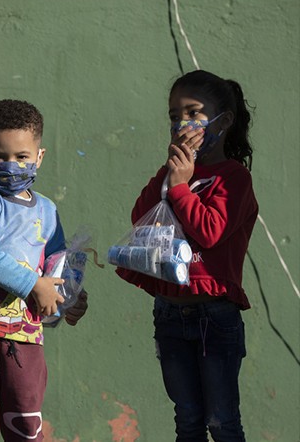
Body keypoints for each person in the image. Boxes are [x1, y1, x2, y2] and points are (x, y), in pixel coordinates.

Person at [116, 70, 257, 441]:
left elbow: (210, 231)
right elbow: (141, 219)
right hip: (169, 311)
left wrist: (180, 186)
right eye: (174, 115)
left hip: (214, 314)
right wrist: (171, 173)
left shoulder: (233, 178)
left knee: (221, 421)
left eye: (193, 113)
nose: (182, 124)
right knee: (188, 419)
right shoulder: (173, 173)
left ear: (223, 121)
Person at [0, 99, 89, 441]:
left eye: (21, 157)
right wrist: (33, 285)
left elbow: (57, 266)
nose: (11, 165)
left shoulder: (48, 211)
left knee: (25, 426)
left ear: (39, 156)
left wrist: (68, 299)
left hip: (26, 335)